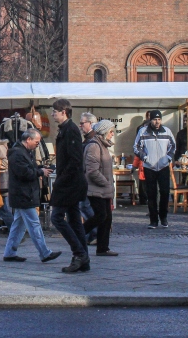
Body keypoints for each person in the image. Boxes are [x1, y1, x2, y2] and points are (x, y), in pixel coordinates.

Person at [3, 130, 62, 264]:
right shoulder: (18, 153)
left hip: (23, 194)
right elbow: (24, 173)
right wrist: (40, 171)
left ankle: (9, 253)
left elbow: (29, 168)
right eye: (36, 142)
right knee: (34, 224)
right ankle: (44, 253)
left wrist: (41, 167)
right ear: (28, 139)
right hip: (23, 195)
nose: (37, 144)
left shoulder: (23, 152)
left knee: (18, 225)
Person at [50, 98, 90, 273]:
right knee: (74, 221)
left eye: (55, 112)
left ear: (63, 112)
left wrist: (61, 180)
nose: (52, 114)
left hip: (70, 184)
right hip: (70, 182)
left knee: (57, 217)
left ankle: (80, 253)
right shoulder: (65, 130)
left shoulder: (71, 130)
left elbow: (74, 161)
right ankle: (83, 259)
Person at [134, 110, 176, 229]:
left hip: (163, 166)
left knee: (164, 192)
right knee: (151, 194)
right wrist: (144, 157)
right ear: (150, 120)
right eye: (154, 119)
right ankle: (153, 220)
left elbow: (173, 146)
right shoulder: (143, 132)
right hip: (149, 166)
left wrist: (168, 157)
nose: (157, 122)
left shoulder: (167, 131)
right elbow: (136, 147)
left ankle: (163, 217)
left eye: (159, 119)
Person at [83, 120, 117, 256]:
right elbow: (92, 171)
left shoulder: (102, 145)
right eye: (111, 131)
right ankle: (77, 233)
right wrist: (106, 183)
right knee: (101, 215)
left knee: (106, 218)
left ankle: (103, 248)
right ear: (104, 132)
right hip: (96, 188)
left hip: (102, 189)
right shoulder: (94, 146)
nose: (112, 134)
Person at [78, 112, 99, 242]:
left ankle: (96, 232)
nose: (80, 126)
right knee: (84, 206)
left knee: (85, 206)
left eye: (82, 123)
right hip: (85, 177)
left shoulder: (93, 139)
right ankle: (92, 234)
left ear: (90, 124)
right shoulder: (87, 138)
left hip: (88, 178)